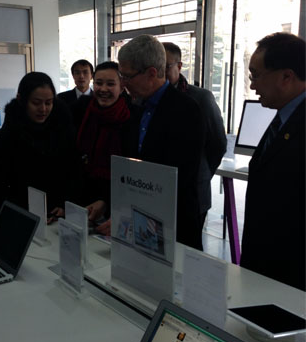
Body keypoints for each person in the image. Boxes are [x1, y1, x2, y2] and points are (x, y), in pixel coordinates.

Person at [118, 34, 205, 250]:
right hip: (140, 218)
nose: (123, 83)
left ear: (151, 73)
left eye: (127, 77)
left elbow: (179, 176)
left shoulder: (186, 110)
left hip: (174, 223)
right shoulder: (136, 107)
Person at [241, 32, 305, 290]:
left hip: (291, 275)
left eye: (256, 76)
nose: (253, 85)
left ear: (286, 76)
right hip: (265, 265)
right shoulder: (283, 116)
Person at [0, 72, 79, 219]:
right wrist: (22, 216)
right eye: (36, 103)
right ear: (21, 100)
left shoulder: (64, 132)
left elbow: (74, 174)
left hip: (58, 218)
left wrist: (65, 205)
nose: (43, 109)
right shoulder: (5, 137)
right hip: (21, 218)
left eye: (49, 103)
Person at [163, 42, 226, 228]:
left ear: (179, 66)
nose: (160, 72)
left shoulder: (201, 98)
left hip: (193, 193)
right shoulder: (147, 98)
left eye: (166, 67)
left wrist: (201, 174)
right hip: (159, 189)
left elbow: (218, 144)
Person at [73, 61, 134, 222]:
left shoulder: (132, 116)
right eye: (99, 83)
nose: (103, 89)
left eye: (110, 84)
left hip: (117, 203)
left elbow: (131, 170)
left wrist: (106, 201)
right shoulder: (82, 109)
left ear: (122, 86)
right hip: (81, 196)